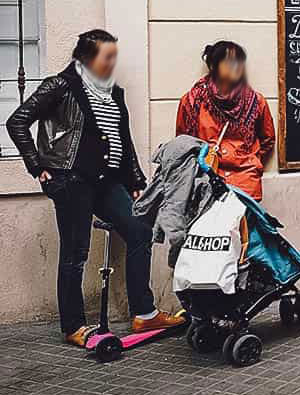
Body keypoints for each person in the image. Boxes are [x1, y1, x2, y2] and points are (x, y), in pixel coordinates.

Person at [5, 30, 185, 345]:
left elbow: (122, 139)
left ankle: (143, 313)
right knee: (76, 253)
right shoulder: (61, 85)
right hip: (71, 180)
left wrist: (135, 181)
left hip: (107, 181)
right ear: (87, 58)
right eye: (107, 56)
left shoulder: (113, 92)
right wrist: (39, 167)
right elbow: (17, 121)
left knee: (140, 230)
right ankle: (73, 326)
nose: (113, 62)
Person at [176, 41, 275, 200]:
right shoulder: (192, 101)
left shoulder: (256, 101)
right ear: (214, 66)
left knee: (245, 225)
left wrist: (249, 158)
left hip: (245, 181)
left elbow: (268, 139)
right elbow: (183, 142)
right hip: (207, 180)